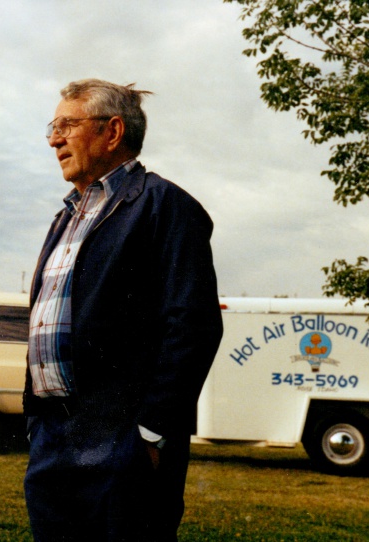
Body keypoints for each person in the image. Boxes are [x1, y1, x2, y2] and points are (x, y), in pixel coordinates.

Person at [23, 78, 223, 542]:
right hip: (53, 437)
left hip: (121, 440)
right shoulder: (65, 218)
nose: (54, 140)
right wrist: (37, 424)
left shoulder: (164, 206)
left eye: (67, 125)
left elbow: (193, 326)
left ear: (112, 132)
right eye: (53, 127)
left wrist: (151, 433)